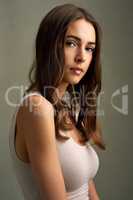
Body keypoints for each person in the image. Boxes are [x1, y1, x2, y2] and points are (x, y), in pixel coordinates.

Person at [9, 3, 106, 200]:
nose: (82, 57)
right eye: (71, 43)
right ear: (49, 45)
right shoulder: (36, 108)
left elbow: (87, 188)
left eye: (89, 48)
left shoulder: (71, 105)